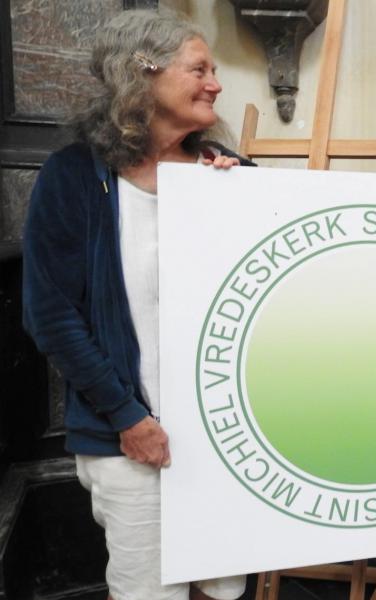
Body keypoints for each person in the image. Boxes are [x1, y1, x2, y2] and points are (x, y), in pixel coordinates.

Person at [22, 10, 253, 600]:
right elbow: (50, 315)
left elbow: (267, 294)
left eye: (214, 70)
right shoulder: (73, 175)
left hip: (224, 435)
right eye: (199, 68)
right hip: (129, 438)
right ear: (141, 76)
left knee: (222, 589)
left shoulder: (225, 174)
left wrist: (244, 204)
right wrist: (127, 417)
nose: (216, 84)